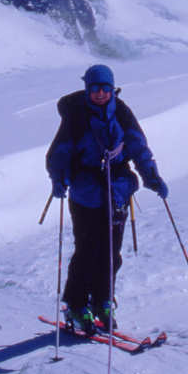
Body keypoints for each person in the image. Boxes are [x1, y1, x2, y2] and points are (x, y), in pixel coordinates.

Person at [46, 64, 169, 335]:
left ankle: (103, 301)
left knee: (111, 251)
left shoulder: (122, 112)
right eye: (95, 88)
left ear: (112, 89)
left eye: (106, 88)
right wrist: (59, 177)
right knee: (88, 251)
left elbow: (138, 146)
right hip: (85, 192)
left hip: (116, 191)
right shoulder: (75, 114)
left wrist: (151, 176)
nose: (100, 93)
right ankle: (76, 305)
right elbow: (60, 152)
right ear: (87, 88)